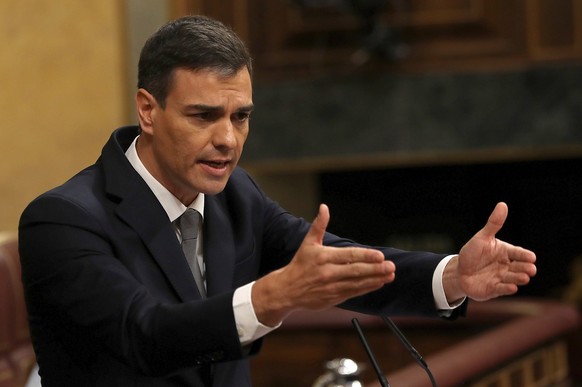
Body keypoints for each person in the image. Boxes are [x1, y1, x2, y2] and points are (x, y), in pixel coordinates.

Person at [18, 15, 537, 387]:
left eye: (240, 116)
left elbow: (337, 264)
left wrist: (450, 277)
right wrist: (272, 297)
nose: (228, 139)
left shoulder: (234, 193)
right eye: (204, 116)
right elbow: (145, 336)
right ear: (148, 111)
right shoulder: (62, 220)